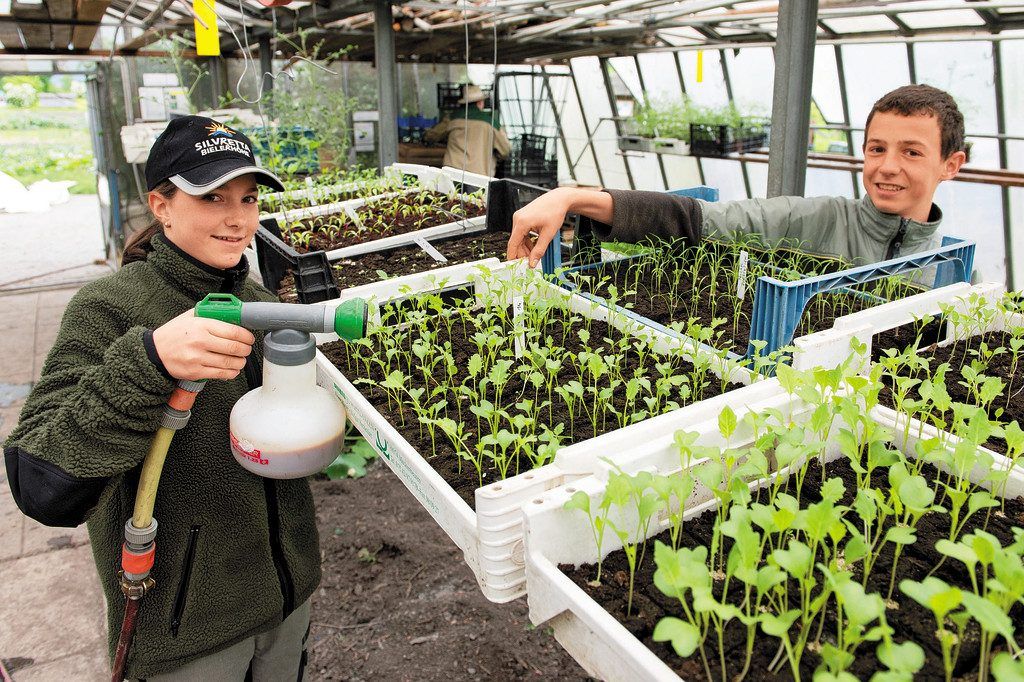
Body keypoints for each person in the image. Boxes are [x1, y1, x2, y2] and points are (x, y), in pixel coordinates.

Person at [3, 116, 319, 680]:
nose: (237, 219)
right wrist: (150, 362)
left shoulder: (258, 299)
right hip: (186, 630)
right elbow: (42, 486)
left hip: (286, 598)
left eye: (248, 199)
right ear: (161, 204)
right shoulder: (110, 309)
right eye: (213, 197)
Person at [507, 84, 969, 270]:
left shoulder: (958, 276)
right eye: (876, 149)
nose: (888, 166)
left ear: (951, 164)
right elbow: (695, 220)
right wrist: (570, 197)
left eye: (911, 152)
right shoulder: (817, 219)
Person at [424, 84, 511, 177]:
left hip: (452, 174)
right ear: (480, 103)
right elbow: (505, 150)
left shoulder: (452, 119)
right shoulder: (491, 123)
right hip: (479, 176)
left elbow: (431, 135)